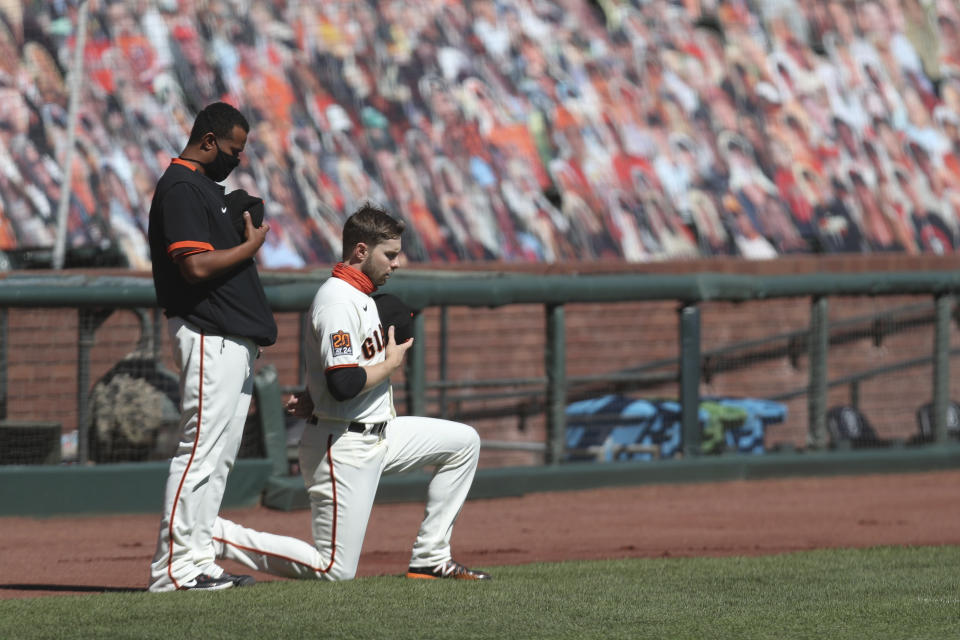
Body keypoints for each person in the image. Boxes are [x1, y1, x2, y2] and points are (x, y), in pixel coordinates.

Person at [209, 203, 491, 581]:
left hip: (378, 434)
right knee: (334, 569)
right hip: (343, 446)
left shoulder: (361, 296)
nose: (397, 263)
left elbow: (338, 376)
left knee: (464, 443)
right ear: (361, 251)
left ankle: (430, 557)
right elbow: (344, 383)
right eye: (389, 254)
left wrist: (316, 394)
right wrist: (388, 366)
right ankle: (217, 536)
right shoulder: (337, 300)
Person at [147, 102, 277, 592]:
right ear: (207, 141)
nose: (237, 159)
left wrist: (238, 214)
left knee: (218, 458)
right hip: (208, 333)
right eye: (233, 150)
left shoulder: (202, 188)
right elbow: (195, 268)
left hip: (231, 338)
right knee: (198, 452)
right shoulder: (180, 185)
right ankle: (172, 570)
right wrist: (250, 246)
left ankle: (198, 560)